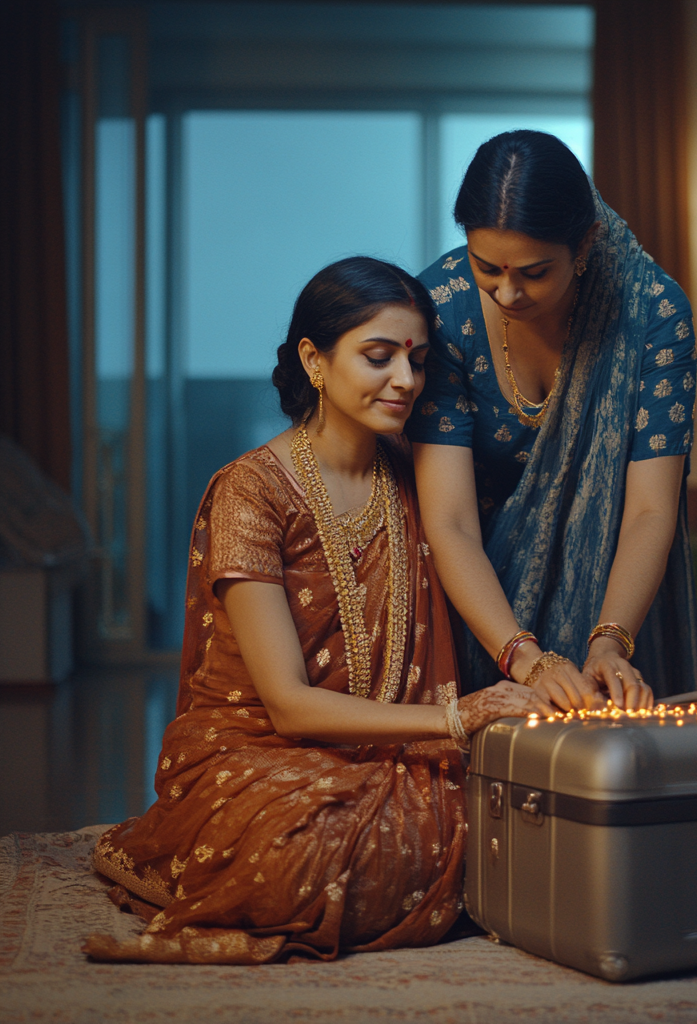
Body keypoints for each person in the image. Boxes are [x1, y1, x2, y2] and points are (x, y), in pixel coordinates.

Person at [84, 257, 552, 965]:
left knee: (479, 824)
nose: (405, 380)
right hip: (259, 749)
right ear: (314, 359)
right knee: (305, 850)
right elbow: (289, 708)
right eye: (378, 355)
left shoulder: (416, 479)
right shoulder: (252, 491)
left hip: (390, 748)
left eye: (417, 360)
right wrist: (457, 718)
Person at [407, 130, 697, 709]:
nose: (507, 292)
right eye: (486, 266)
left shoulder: (652, 312)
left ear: (586, 242)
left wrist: (611, 644)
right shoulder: (440, 307)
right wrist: (522, 655)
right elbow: (450, 521)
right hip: (474, 594)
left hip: (621, 585)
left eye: (535, 272)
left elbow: (648, 510)